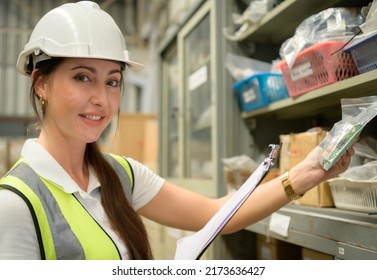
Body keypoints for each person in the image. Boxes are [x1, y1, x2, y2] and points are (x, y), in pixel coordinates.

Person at [0, 1, 354, 260]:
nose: (102, 100)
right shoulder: (15, 204)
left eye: (112, 81)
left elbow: (215, 214)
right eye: (82, 77)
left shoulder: (121, 176)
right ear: (41, 83)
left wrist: (308, 173)